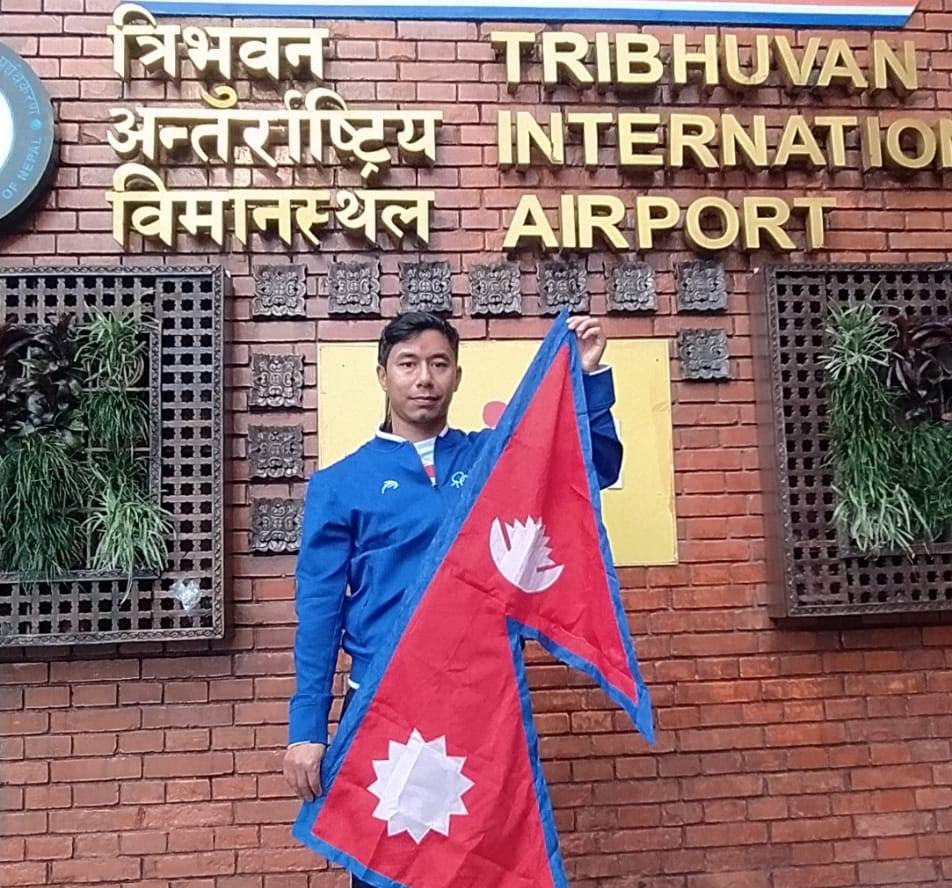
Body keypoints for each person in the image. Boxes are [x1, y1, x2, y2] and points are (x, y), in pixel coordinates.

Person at [283, 312, 623, 884]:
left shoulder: (492, 458)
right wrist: (307, 730)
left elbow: (592, 468)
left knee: (486, 868)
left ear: (457, 376)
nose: (424, 378)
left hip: (481, 707)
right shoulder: (340, 485)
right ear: (383, 376)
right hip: (386, 706)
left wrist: (586, 377)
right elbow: (319, 616)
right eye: (408, 364)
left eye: (439, 364)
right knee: (389, 869)